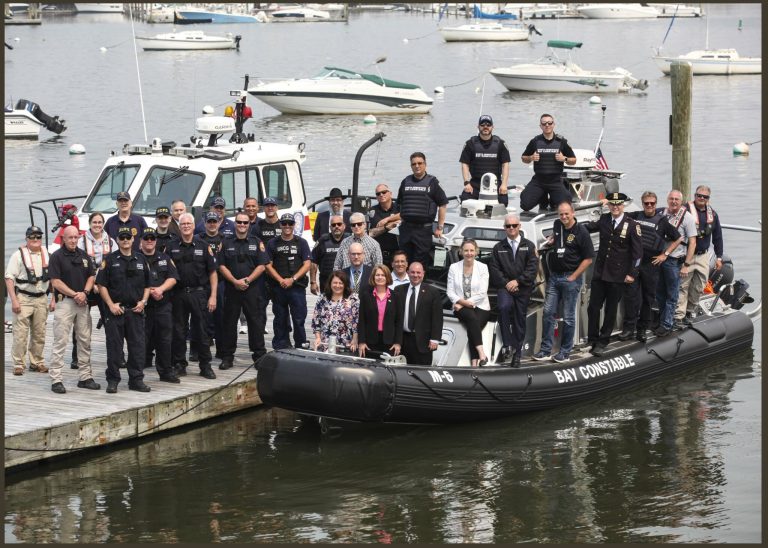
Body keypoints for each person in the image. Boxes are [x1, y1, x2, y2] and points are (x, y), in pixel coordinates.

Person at [534, 201, 595, 363]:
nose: (564, 217)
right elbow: (558, 239)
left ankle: (565, 352)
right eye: (561, 214)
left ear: (573, 212)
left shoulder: (581, 232)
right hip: (554, 277)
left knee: (568, 317)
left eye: (567, 213)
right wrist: (551, 240)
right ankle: (545, 350)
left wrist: (574, 277)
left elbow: (588, 259)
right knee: (548, 313)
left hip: (570, 278)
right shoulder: (557, 225)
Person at [583, 192, 643, 356]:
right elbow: (588, 227)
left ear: (623, 205)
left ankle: (603, 340)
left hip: (618, 275)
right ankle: (593, 338)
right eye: (612, 204)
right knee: (593, 308)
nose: (615, 207)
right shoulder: (604, 220)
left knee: (610, 309)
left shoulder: (632, 225)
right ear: (608, 205)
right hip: (600, 272)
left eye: (618, 204)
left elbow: (638, 254)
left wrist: (632, 273)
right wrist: (569, 226)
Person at [620, 191, 682, 342]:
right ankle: (629, 329)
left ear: (656, 203)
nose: (649, 206)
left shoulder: (662, 221)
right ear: (642, 204)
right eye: (646, 203)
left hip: (651, 265)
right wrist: (607, 204)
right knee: (631, 297)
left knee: (648, 298)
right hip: (634, 264)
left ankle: (642, 330)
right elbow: (620, 213)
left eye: (652, 203)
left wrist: (665, 254)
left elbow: (678, 238)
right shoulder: (635, 216)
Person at [98, 227, 152, 393]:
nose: (125, 240)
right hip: (116, 311)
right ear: (118, 240)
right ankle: (113, 380)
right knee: (114, 348)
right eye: (122, 238)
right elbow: (101, 285)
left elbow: (148, 285)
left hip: (135, 311)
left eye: (128, 237)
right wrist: (110, 305)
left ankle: (136, 380)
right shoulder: (109, 260)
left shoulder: (141, 259)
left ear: (133, 239)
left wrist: (143, 302)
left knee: (137, 347)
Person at [47, 226, 100, 393]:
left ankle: (85, 377)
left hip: (82, 303)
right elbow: (55, 282)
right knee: (60, 341)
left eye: (76, 237)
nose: (73, 240)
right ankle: (56, 379)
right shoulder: (56, 257)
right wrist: (74, 294)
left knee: (85, 341)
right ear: (63, 238)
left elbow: (92, 276)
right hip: (65, 303)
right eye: (70, 237)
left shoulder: (84, 255)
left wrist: (84, 292)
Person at [167, 213, 218, 379]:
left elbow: (212, 272)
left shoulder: (203, 246)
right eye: (183, 224)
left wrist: (213, 296)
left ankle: (205, 366)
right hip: (178, 294)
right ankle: (179, 364)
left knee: (202, 332)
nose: (186, 226)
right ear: (179, 226)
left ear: (194, 226)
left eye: (189, 223)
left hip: (199, 293)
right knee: (178, 332)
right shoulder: (171, 246)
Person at [217, 211, 269, 369]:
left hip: (252, 289)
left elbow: (262, 265)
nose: (241, 225)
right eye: (239, 222)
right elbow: (221, 265)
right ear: (235, 224)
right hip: (232, 289)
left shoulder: (256, 241)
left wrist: (247, 280)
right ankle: (227, 356)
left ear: (249, 224)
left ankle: (259, 355)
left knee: (255, 323)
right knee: (229, 323)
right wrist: (234, 281)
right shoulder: (225, 243)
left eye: (245, 223)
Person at [489, 214, 540, 367]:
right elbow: (494, 269)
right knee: (503, 307)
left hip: (523, 287)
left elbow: (532, 269)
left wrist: (518, 281)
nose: (511, 228)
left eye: (514, 225)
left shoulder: (529, 246)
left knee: (519, 318)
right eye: (508, 226)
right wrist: (507, 284)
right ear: (504, 228)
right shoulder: (498, 248)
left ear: (519, 226)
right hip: (505, 287)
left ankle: (517, 353)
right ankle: (507, 343)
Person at [5, 225, 54, 376]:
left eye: (38, 236)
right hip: (23, 298)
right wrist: (14, 300)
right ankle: (19, 364)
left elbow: (53, 279)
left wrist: (53, 300)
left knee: (39, 333)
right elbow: (9, 278)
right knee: (20, 334)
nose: (35, 239)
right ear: (26, 239)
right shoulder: (18, 255)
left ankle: (37, 362)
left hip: (41, 299)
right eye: (32, 237)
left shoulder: (47, 254)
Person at [72, 211, 116, 369]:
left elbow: (114, 263)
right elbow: (77, 265)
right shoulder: (81, 242)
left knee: (111, 322)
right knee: (81, 323)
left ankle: (117, 355)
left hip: (104, 287)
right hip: (87, 285)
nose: (97, 225)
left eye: (100, 222)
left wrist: (102, 284)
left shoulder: (110, 241)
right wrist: (90, 286)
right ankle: (76, 357)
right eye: (94, 222)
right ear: (89, 224)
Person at [676, 185, 724, 324]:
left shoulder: (713, 214)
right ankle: (679, 316)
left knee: (699, 286)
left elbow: (718, 237)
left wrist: (719, 257)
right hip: (686, 255)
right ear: (695, 195)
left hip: (703, 255)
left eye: (705, 197)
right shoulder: (684, 210)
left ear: (708, 198)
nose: (701, 198)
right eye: (699, 195)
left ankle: (690, 312)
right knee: (683, 285)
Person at [139, 227, 180, 383]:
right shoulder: (136, 259)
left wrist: (161, 289)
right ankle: (137, 374)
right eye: (146, 238)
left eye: (152, 238)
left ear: (156, 240)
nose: (149, 241)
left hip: (163, 306)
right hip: (143, 308)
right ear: (141, 240)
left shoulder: (164, 258)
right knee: (141, 341)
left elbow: (173, 277)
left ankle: (165, 372)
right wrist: (149, 292)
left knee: (165, 341)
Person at [265, 213, 312, 350]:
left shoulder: (301, 242)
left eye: (290, 223)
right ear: (280, 225)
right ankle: (281, 346)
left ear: (294, 225)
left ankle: (301, 345)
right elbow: (268, 265)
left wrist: (293, 279)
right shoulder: (272, 243)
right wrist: (281, 280)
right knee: (280, 318)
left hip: (296, 286)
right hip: (279, 287)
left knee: (299, 319)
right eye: (284, 223)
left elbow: (307, 264)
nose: (287, 226)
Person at [656, 189, 697, 337]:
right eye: (671, 199)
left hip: (674, 260)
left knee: (672, 294)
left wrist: (687, 265)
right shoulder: (662, 214)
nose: (673, 202)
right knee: (659, 293)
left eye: (676, 200)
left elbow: (692, 242)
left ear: (681, 201)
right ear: (667, 200)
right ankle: (662, 320)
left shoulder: (688, 218)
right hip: (659, 258)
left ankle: (667, 324)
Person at [396, 152, 448, 266]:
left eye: (420, 163)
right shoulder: (405, 182)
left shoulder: (432, 183)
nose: (417, 166)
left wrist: (440, 227)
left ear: (425, 164)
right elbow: (399, 203)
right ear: (411, 166)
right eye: (414, 164)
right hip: (406, 230)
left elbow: (443, 204)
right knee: (403, 262)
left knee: (419, 264)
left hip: (423, 231)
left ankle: (419, 283)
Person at [446, 239, 490, 367]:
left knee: (473, 325)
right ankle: (482, 354)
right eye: (466, 250)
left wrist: (464, 303)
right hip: (460, 306)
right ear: (461, 251)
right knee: (471, 318)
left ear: (476, 252)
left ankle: (474, 363)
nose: (469, 253)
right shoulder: (454, 267)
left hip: (481, 305)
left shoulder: (483, 267)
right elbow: (450, 291)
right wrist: (462, 302)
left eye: (471, 250)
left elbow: (482, 293)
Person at [520, 114, 576, 212]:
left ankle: (553, 200)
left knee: (565, 207)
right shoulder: (535, 141)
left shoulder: (562, 141)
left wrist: (564, 159)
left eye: (549, 123)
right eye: (544, 123)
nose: (547, 125)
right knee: (525, 205)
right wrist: (531, 157)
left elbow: (573, 160)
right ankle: (542, 197)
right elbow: (523, 158)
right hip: (539, 181)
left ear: (553, 124)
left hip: (555, 181)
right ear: (540, 126)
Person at [395, 262, 443, 366]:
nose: (415, 275)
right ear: (408, 273)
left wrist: (435, 339)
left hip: (423, 341)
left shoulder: (432, 292)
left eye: (418, 272)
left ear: (423, 274)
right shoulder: (399, 290)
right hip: (402, 340)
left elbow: (437, 318)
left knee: (422, 374)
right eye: (412, 272)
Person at [460, 114, 511, 206]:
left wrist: (504, 184)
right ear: (478, 127)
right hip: (475, 184)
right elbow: (465, 164)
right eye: (482, 125)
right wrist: (466, 183)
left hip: (496, 184)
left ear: (492, 127)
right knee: (464, 201)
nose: (485, 127)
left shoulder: (500, 144)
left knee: (504, 203)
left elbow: (505, 165)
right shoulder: (470, 143)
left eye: (488, 125)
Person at [196, 211, 226, 360]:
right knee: (200, 318)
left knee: (221, 318)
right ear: (205, 222)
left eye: (215, 221)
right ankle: (199, 350)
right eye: (209, 221)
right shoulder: (199, 239)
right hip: (202, 283)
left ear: (219, 222)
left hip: (220, 282)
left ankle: (221, 350)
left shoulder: (225, 240)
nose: (212, 224)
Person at [358, 265, 402, 359]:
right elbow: (362, 320)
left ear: (387, 277)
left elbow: (399, 322)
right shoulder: (366, 296)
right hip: (370, 342)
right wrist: (362, 342)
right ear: (373, 277)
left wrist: (397, 343)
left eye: (383, 275)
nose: (380, 277)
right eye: (377, 275)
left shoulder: (396, 296)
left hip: (389, 343)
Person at [311, 270, 359, 353]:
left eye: (340, 283)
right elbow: (316, 321)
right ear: (330, 283)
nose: (337, 285)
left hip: (346, 346)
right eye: (335, 283)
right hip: (325, 344)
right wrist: (318, 338)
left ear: (345, 284)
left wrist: (355, 340)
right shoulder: (322, 298)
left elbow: (357, 322)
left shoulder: (353, 299)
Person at [310, 214, 347, 295]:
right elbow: (313, 262)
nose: (336, 226)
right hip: (326, 282)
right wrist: (313, 282)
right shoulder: (322, 240)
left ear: (344, 226)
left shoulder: (350, 240)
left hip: (346, 282)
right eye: (333, 225)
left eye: (339, 224)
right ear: (330, 228)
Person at [367, 183, 400, 266]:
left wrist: (388, 219)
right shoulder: (372, 211)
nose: (381, 195)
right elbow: (373, 231)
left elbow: (406, 215)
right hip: (378, 254)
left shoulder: (399, 207)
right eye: (378, 194)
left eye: (384, 192)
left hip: (397, 255)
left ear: (390, 193)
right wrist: (390, 225)